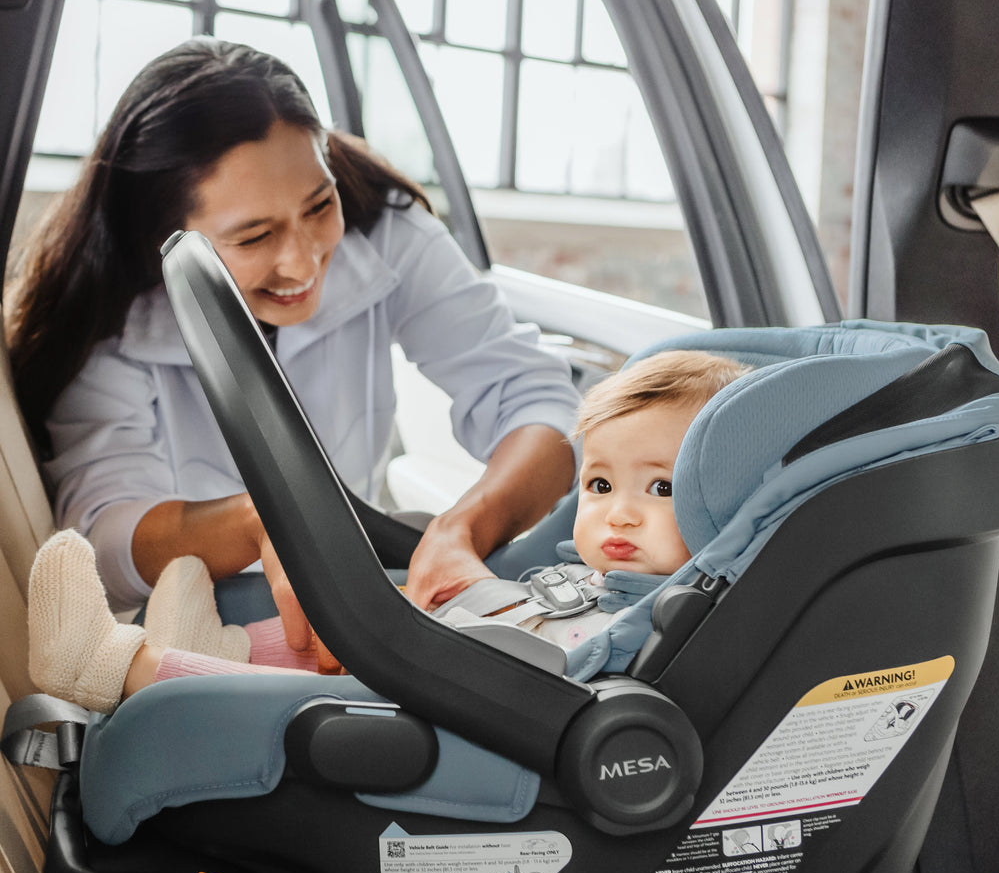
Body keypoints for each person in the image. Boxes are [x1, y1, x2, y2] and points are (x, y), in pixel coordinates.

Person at [6, 38, 581, 662]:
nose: (303, 260)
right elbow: (110, 537)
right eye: (254, 236)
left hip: (352, 591)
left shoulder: (388, 233)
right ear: (161, 242)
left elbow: (537, 399)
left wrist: (462, 527)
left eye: (319, 205)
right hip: (198, 628)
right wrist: (265, 522)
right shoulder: (106, 327)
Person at [26, 350, 752, 713]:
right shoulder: (594, 580)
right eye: (599, 485)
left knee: (364, 670)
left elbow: (575, 673)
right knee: (395, 607)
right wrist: (473, 597)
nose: (618, 512)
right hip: (473, 657)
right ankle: (224, 648)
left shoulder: (671, 615)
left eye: (660, 489)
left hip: (471, 715)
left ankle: (117, 669)